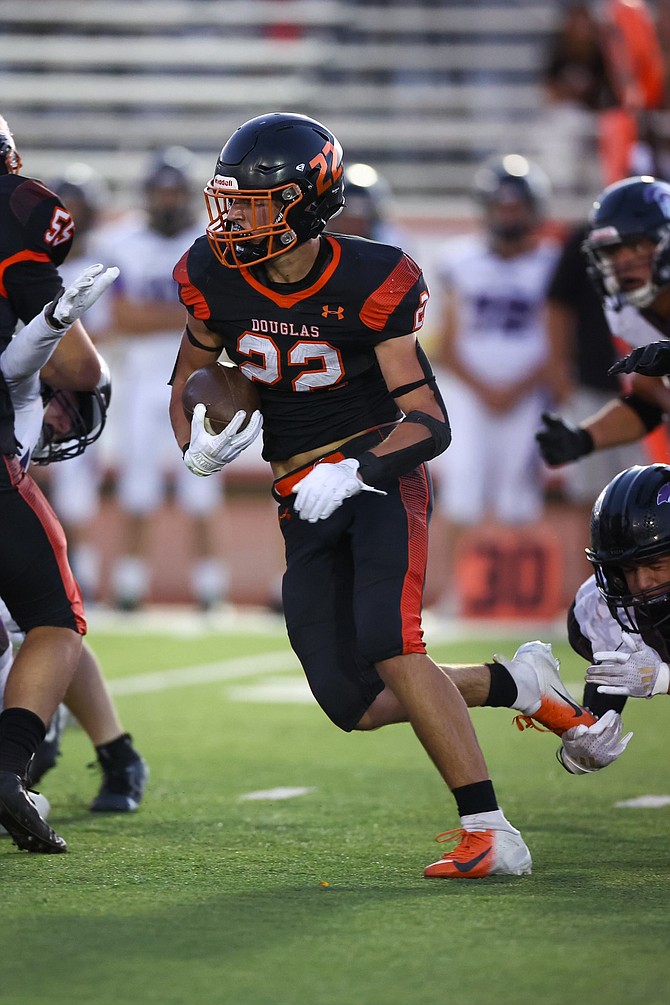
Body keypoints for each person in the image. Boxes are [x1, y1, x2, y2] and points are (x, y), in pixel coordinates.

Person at [166, 111, 598, 880]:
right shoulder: (211, 271)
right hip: (298, 492)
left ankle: (490, 829)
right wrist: (194, 441)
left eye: (255, 204)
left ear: (305, 204)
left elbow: (429, 419)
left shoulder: (372, 276)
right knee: (352, 701)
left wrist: (354, 467)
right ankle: (518, 682)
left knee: (393, 643)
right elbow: (189, 379)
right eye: (231, 200)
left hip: (377, 476)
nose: (232, 218)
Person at [0, 116, 147, 851]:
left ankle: (114, 750)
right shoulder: (16, 216)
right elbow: (82, 368)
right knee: (47, 613)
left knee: (36, 616)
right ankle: (69, 750)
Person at [429, 154, 561, 614]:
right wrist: (485, 388)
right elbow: (444, 342)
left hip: (528, 395)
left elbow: (558, 338)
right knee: (461, 489)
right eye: (501, 206)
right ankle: (454, 594)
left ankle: (515, 598)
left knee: (518, 498)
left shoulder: (552, 263)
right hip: (469, 394)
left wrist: (520, 386)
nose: (508, 214)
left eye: (516, 206)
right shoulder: (459, 259)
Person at [107, 146, 228, 611]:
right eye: (161, 191)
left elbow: (214, 317)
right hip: (141, 382)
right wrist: (186, 312)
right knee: (137, 487)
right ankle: (129, 586)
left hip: (200, 380)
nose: (168, 199)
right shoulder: (125, 242)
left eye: (175, 191)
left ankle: (211, 588)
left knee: (203, 488)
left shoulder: (210, 241)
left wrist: (176, 316)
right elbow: (122, 317)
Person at [536, 175, 670, 471]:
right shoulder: (629, 315)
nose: (622, 262)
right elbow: (648, 402)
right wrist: (584, 439)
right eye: (611, 251)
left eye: (634, 246)